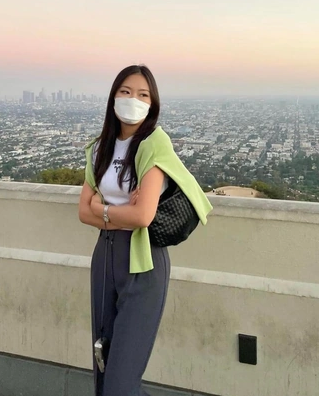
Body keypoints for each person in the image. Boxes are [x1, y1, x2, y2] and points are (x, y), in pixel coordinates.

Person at [79, 65, 213, 396]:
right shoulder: (99, 148)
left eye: (143, 95)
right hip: (104, 258)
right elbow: (83, 212)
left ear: (152, 104)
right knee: (103, 369)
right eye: (125, 92)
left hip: (143, 261)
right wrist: (117, 214)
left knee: (120, 385)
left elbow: (142, 216)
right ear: (113, 97)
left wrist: (104, 209)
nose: (133, 100)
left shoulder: (154, 143)